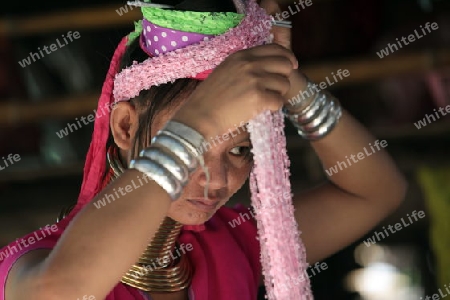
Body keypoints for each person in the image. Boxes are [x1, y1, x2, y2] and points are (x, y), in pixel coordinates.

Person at [1, 0, 407, 299]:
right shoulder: (32, 264)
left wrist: (288, 78)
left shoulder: (228, 242)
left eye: (240, 149)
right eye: (194, 140)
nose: (216, 179)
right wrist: (201, 118)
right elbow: (61, 290)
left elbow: (376, 191)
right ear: (124, 126)